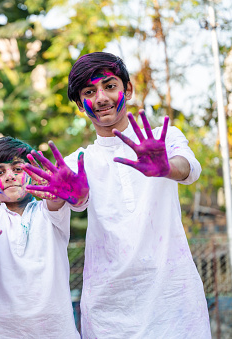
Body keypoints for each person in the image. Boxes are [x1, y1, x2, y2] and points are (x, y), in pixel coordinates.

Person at [25, 52, 211, 338]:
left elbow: (189, 169)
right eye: (89, 92)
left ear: (128, 89)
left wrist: (165, 167)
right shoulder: (78, 162)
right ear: (79, 104)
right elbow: (63, 205)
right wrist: (61, 197)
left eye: (110, 86)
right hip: (108, 309)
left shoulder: (163, 139)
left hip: (173, 297)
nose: (101, 98)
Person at [0, 136, 87, 339]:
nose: (10, 176)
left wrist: (58, 193)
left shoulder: (49, 211)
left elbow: (56, 203)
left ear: (33, 174)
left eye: (18, 169)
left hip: (55, 330)